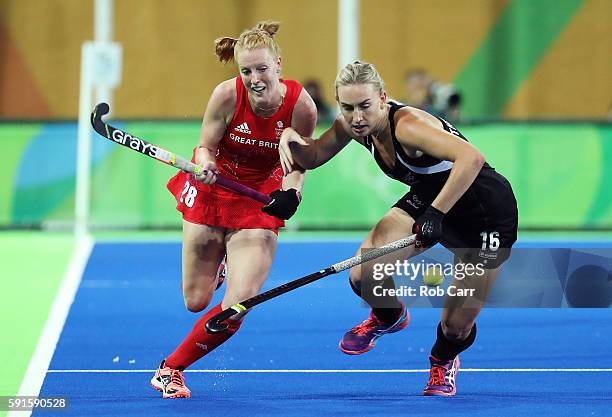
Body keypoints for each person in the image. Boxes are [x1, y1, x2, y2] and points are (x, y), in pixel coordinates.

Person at [278, 61, 518, 396]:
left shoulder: (407, 126)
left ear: (382, 99)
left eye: (364, 106)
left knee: (456, 327)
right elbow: (314, 155)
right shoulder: (354, 125)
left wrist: (435, 214)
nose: (357, 117)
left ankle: (442, 359)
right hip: (432, 197)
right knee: (364, 274)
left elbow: (471, 159)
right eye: (347, 108)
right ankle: (388, 316)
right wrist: (289, 137)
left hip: (485, 214)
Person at [151, 21, 317, 399]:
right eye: (246, 71)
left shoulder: (301, 105)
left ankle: (171, 369)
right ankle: (221, 262)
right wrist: (206, 162)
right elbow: (206, 145)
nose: (254, 79)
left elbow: (301, 161)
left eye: (262, 69)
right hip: (214, 186)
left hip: (261, 194)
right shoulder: (226, 96)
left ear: (278, 64)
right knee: (196, 301)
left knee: (237, 304)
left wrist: (291, 194)